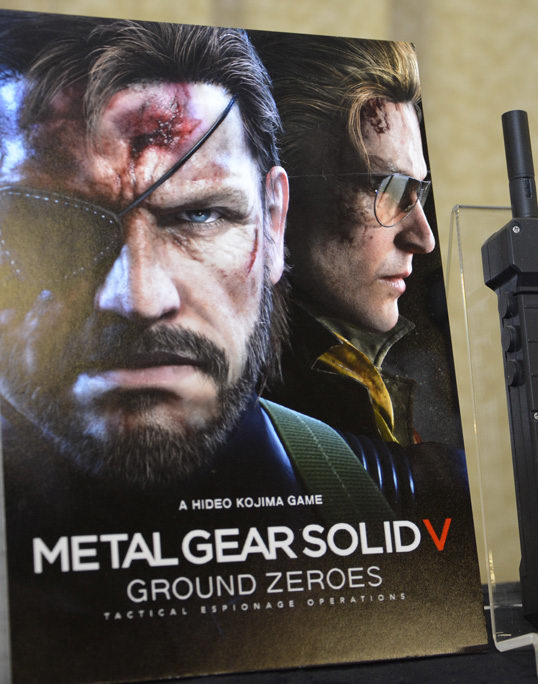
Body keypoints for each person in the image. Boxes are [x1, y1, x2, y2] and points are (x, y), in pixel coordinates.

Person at [0, 17, 393, 526]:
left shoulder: (410, 497)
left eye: (200, 214)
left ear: (274, 223)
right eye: (52, 222)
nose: (140, 297)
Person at [255, 36, 441, 447]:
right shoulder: (249, 416)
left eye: (417, 191)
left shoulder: (354, 380)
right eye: (385, 187)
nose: (423, 238)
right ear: (278, 198)